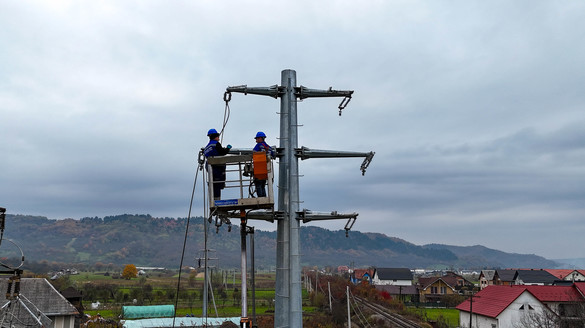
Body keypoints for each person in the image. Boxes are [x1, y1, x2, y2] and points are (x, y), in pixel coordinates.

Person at [204, 128, 231, 199]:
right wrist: (228, 149)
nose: (219, 138)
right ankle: (217, 200)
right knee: (217, 184)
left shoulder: (207, 147)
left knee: (213, 184)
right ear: (215, 136)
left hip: (210, 167)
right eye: (218, 137)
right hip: (217, 167)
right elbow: (222, 152)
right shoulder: (216, 144)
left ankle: (214, 199)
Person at [252, 131, 275, 197]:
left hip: (258, 168)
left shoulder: (258, 145)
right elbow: (273, 154)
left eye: (257, 138)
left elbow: (254, 153)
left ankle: (260, 197)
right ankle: (264, 197)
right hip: (266, 169)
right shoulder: (268, 147)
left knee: (258, 184)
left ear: (261, 138)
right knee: (262, 185)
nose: (256, 140)